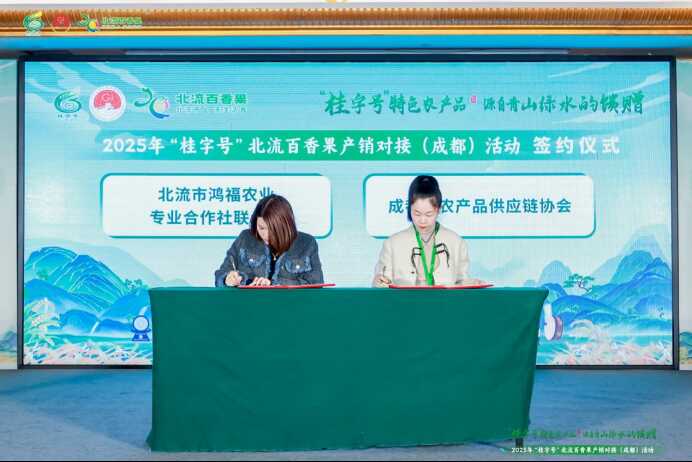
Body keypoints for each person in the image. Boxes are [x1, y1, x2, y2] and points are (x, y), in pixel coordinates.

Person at [372, 175, 482, 287]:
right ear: (409, 208)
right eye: (417, 213)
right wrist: (379, 281)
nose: (422, 220)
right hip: (404, 298)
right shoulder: (392, 243)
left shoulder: (456, 242)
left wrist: (471, 283)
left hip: (445, 298)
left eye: (429, 214)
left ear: (438, 210)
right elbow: (383, 283)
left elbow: (461, 282)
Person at [214, 194, 324, 287]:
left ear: (286, 227)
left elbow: (316, 284)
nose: (266, 235)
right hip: (249, 304)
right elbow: (221, 274)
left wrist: (273, 284)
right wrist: (227, 279)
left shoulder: (307, 243)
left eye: (273, 230)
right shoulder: (245, 238)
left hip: (290, 305)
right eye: (261, 228)